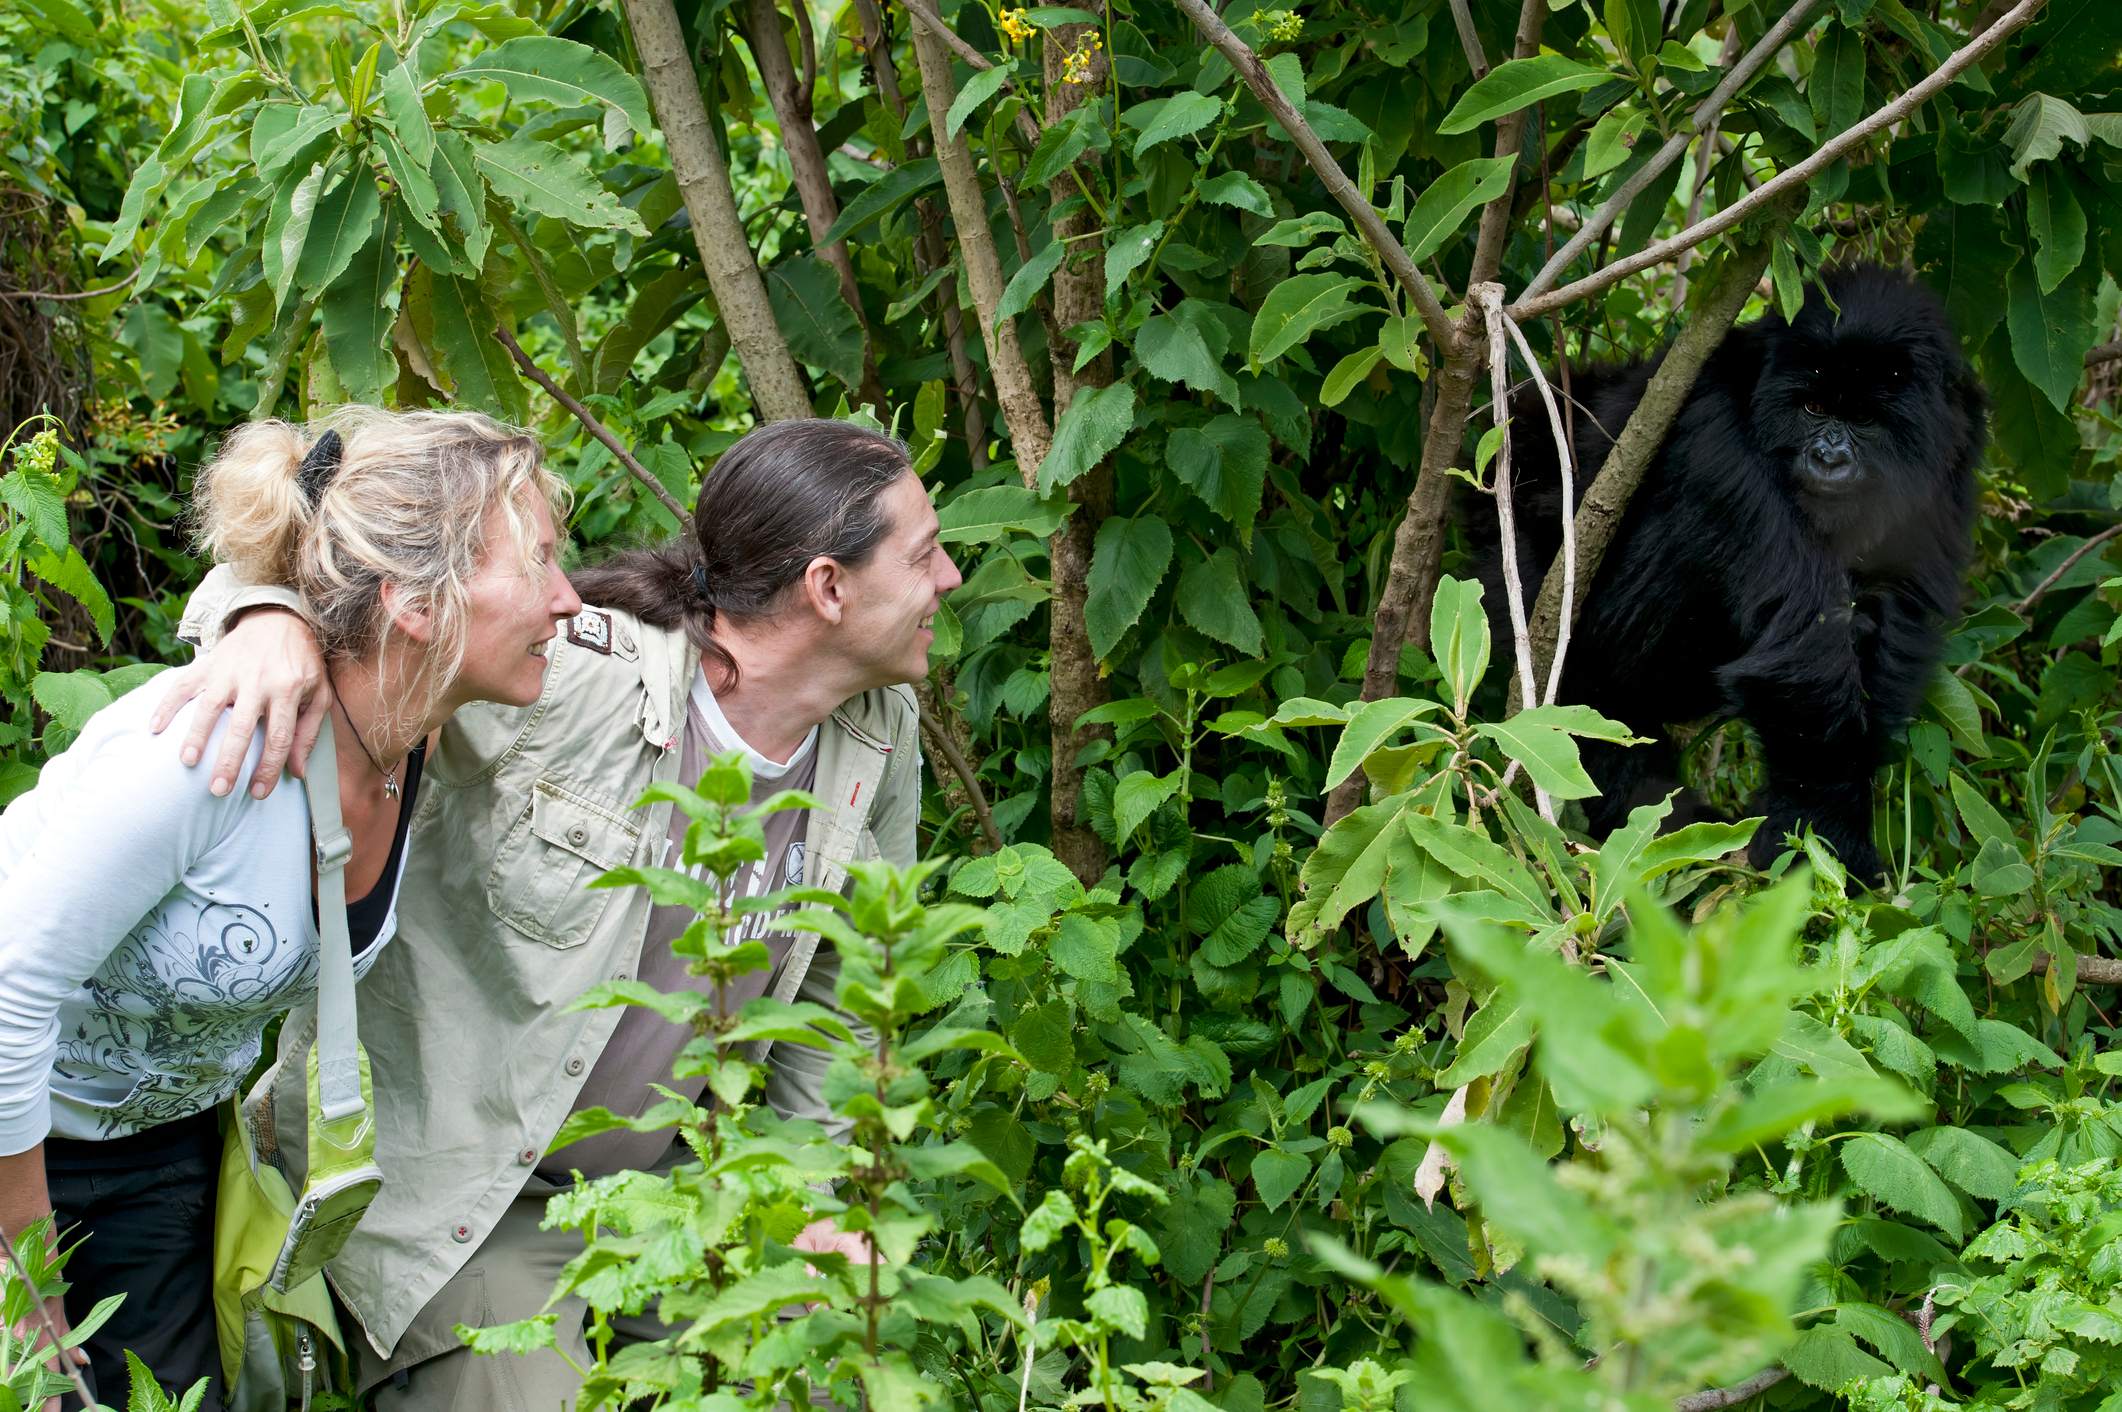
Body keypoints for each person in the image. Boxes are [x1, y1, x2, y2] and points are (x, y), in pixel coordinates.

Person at [161, 417, 960, 1409]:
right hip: (464, 1194)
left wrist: (821, 1199)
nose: (952, 577)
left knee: (826, 1372)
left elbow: (836, 1010)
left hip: (667, 1186)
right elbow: (336, 589)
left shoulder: (875, 733)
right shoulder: (571, 677)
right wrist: (267, 616)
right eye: (925, 553)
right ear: (828, 588)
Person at [0, 409, 582, 1411]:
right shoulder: (209, 749)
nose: (567, 598)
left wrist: (258, 602)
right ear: (412, 603)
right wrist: (27, 1291)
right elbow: (6, 992)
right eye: (536, 564)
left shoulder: (421, 733)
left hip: (162, 1154)